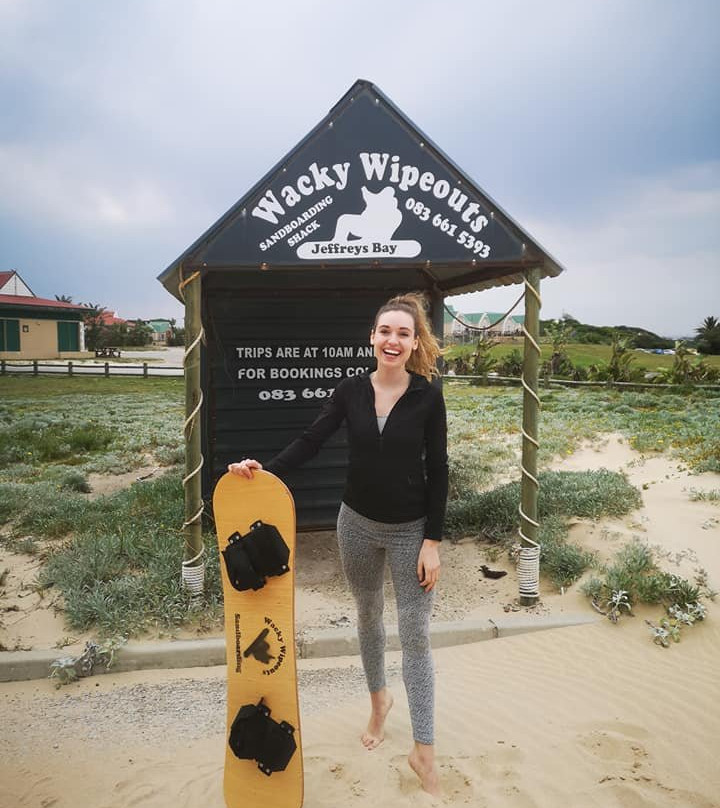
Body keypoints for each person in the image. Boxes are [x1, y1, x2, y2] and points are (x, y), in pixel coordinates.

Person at [228, 292, 448, 797]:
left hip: (411, 530)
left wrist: (432, 540)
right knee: (368, 614)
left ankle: (425, 752)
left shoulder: (427, 395)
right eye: (385, 331)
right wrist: (263, 471)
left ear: (415, 343)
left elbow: (439, 470)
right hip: (355, 525)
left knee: (415, 636)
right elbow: (311, 440)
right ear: (371, 337)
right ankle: (378, 704)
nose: (393, 340)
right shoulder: (350, 390)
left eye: (403, 333)